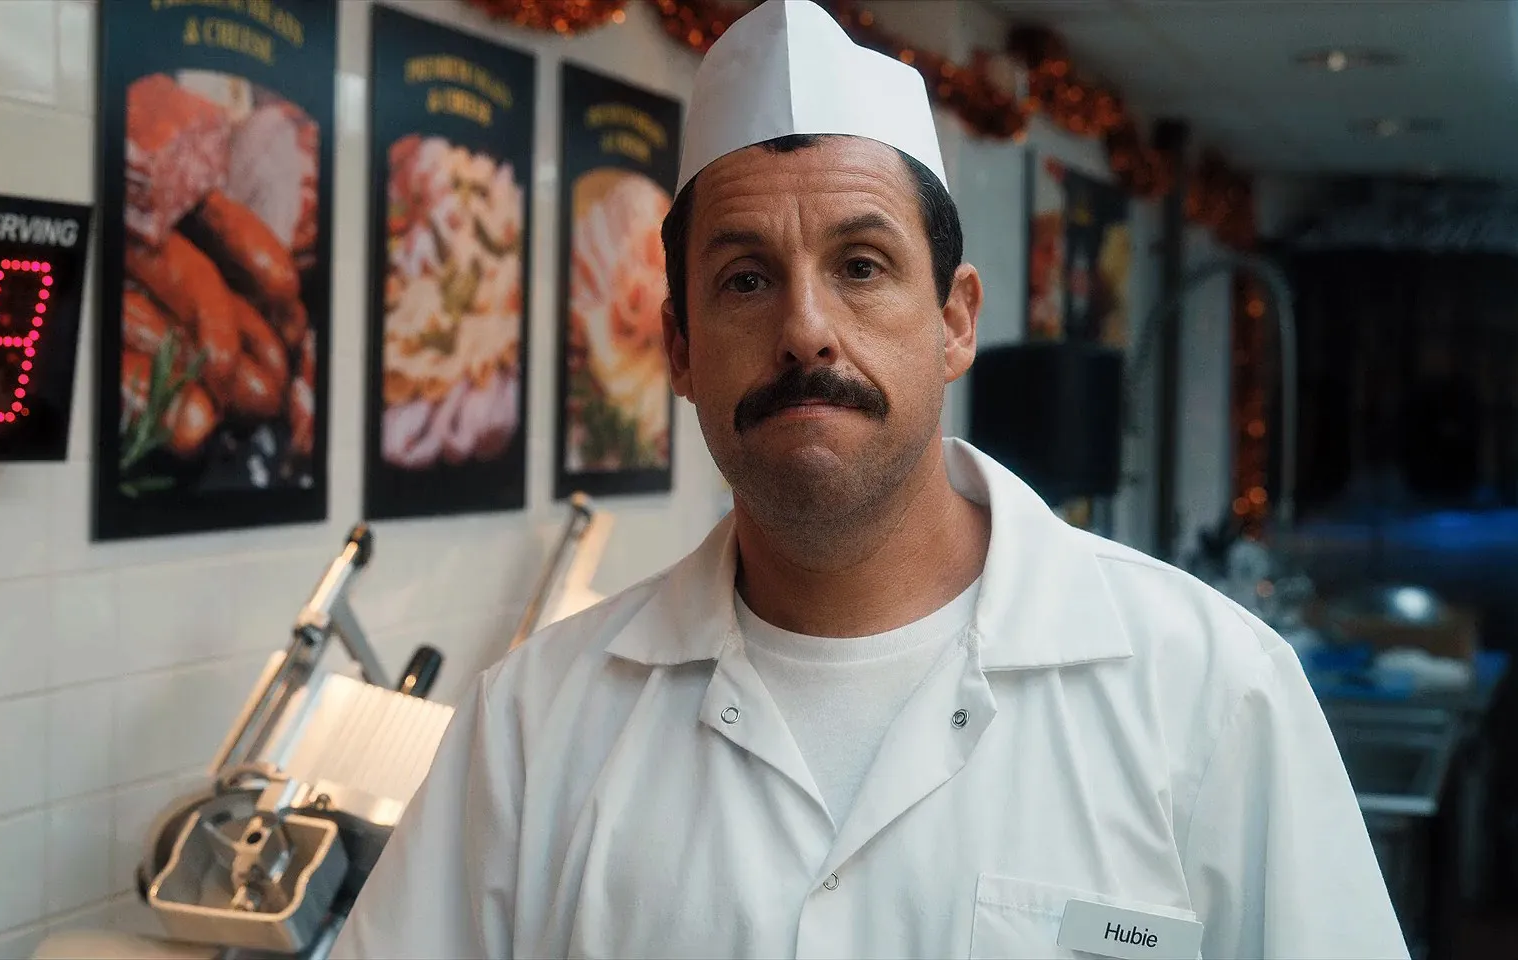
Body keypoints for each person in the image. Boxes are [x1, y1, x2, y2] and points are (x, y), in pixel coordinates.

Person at [331, 2, 1406, 957]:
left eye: (860, 266)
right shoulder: (533, 728)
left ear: (955, 320)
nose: (805, 329)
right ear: (680, 351)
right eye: (744, 279)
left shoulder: (1211, 694)